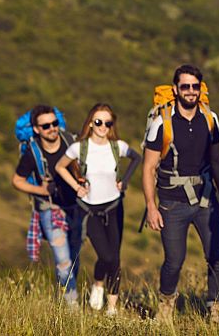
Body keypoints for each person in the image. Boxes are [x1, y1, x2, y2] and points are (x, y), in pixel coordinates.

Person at [141, 64, 219, 325]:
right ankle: (165, 310)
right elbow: (148, 168)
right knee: (174, 261)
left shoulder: (210, 119)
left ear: (200, 89)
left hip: (206, 199)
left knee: (216, 256)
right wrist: (151, 207)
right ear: (176, 89)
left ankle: (218, 312)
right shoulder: (161, 123)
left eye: (195, 86)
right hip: (172, 203)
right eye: (185, 86)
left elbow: (217, 160)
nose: (190, 91)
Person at [55, 103, 141, 316]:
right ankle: (98, 282)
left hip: (114, 207)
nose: (103, 126)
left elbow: (137, 158)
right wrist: (76, 187)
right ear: (91, 123)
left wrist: (125, 181)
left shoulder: (118, 146)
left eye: (107, 123)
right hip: (90, 210)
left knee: (115, 257)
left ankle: (111, 308)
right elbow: (60, 166)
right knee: (106, 256)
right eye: (98, 122)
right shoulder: (79, 148)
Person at [12, 105, 84, 307]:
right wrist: (41, 191)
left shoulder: (70, 142)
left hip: (76, 207)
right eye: (46, 126)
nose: (52, 128)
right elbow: (17, 180)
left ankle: (66, 296)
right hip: (50, 209)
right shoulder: (32, 153)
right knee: (63, 260)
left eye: (54, 123)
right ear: (36, 129)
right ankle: (72, 308)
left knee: (74, 257)